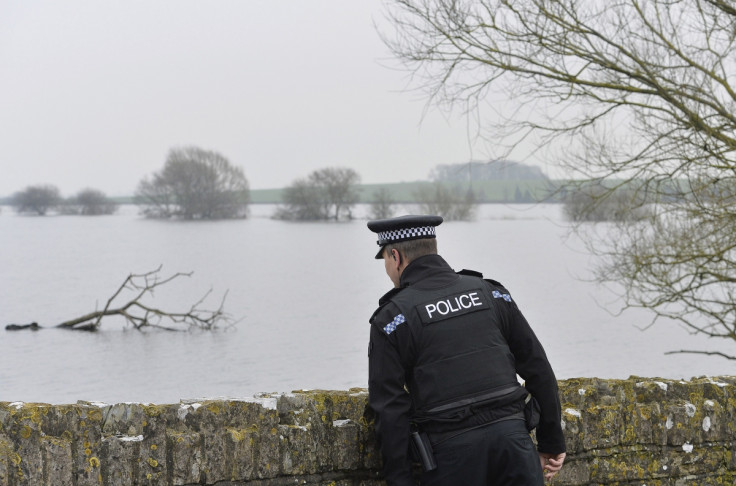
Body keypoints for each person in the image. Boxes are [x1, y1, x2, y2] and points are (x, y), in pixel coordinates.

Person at [367, 215, 566, 485]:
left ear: (396, 256)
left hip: (451, 456)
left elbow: (390, 410)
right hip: (514, 445)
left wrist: (400, 480)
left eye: (386, 261)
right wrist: (551, 441)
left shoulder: (393, 318)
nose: (388, 270)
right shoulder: (491, 293)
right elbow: (538, 368)